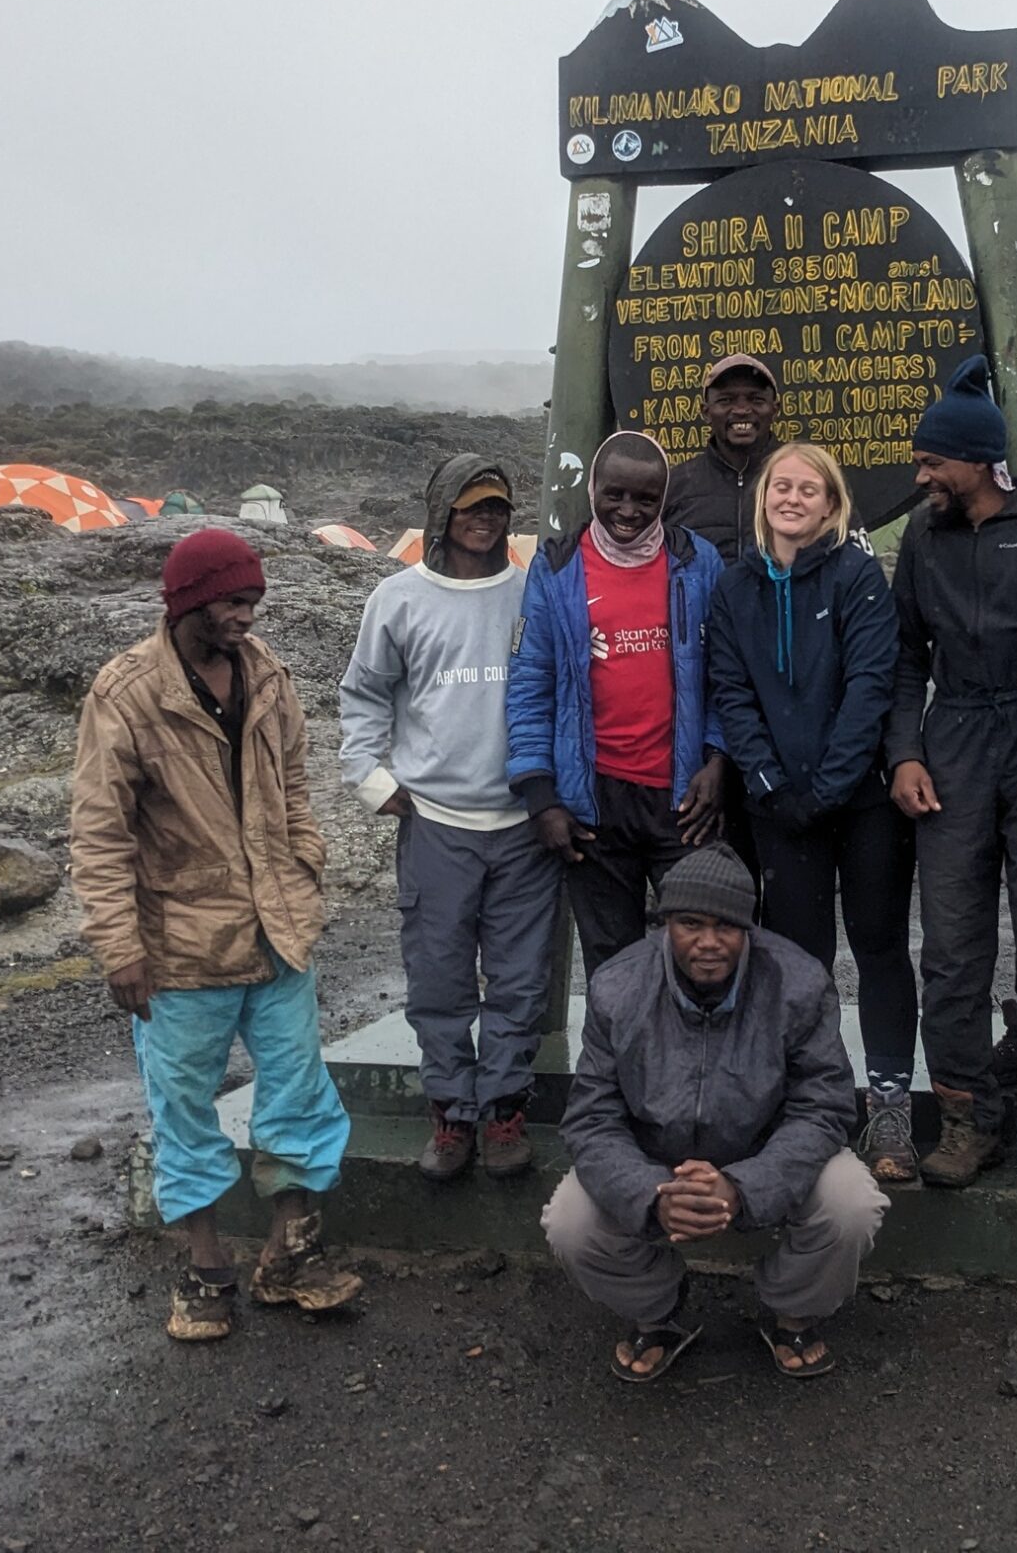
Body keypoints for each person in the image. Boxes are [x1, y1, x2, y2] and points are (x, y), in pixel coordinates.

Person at [71, 526, 360, 1342]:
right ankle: (205, 1270)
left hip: (278, 932)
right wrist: (120, 948)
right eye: (233, 602)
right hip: (179, 948)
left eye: (253, 602)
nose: (246, 617)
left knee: (299, 1092)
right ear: (189, 601)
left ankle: (290, 1256)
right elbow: (99, 833)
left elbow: (293, 786)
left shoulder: (269, 677)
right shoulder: (127, 694)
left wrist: (305, 863)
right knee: (184, 1109)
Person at [541, 847, 886, 1382]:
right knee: (569, 1221)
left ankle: (792, 1310)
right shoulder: (617, 986)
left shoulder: (798, 982)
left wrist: (743, 1186)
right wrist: (653, 1195)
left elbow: (823, 1104)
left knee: (852, 1202)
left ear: (749, 928)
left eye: (726, 926)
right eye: (690, 924)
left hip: (765, 1154)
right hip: (654, 1163)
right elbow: (591, 1116)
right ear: (665, 924)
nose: (708, 941)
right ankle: (657, 1309)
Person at [885, 356, 1017, 1194]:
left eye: (932, 462)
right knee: (950, 945)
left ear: (978, 460)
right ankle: (966, 1115)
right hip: (955, 742)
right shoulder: (924, 537)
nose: (922, 476)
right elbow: (906, 658)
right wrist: (905, 753)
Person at [338, 455, 561, 1183]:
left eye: (496, 507)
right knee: (437, 981)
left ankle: (502, 1112)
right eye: (470, 507)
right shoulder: (398, 599)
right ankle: (451, 1114)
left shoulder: (531, 594)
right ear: (441, 513)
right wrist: (370, 779)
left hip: (523, 826)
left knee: (520, 983)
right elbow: (365, 692)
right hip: (435, 822)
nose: (484, 520)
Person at [707, 443, 920, 1184]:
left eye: (809, 489)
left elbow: (871, 685)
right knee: (798, 960)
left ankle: (889, 1105)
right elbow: (731, 690)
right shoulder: (734, 587)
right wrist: (769, 783)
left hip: (860, 802)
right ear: (763, 496)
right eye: (782, 486)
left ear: (832, 504)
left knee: (880, 946)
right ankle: (812, 1102)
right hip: (778, 805)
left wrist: (828, 786)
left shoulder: (857, 577)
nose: (792, 499)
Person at [506, 431, 727, 979]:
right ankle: (621, 1043)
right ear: (593, 490)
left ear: (664, 498)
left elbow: (726, 675)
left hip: (683, 801)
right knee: (614, 969)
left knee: (700, 961)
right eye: (615, 495)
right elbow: (530, 682)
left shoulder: (698, 562)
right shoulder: (555, 568)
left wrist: (719, 759)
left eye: (646, 498)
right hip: (593, 805)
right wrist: (541, 797)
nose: (629, 511)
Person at [664, 352, 781, 560]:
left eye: (756, 399)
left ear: (775, 409)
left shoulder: (806, 481)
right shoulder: (675, 486)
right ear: (706, 412)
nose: (742, 410)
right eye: (726, 400)